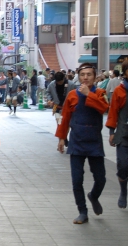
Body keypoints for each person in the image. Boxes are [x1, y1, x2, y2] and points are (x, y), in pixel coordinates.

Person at [55, 63, 109, 224]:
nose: (85, 77)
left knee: (101, 178)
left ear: (95, 77)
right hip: (77, 141)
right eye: (83, 75)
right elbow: (65, 118)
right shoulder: (72, 95)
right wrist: (62, 138)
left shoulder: (100, 93)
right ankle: (82, 211)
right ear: (79, 76)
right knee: (77, 180)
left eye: (89, 75)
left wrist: (88, 95)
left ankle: (94, 196)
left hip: (94, 141)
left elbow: (104, 108)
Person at [106, 61, 128, 209]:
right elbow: (113, 111)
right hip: (123, 132)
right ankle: (123, 192)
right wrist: (112, 132)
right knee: (122, 164)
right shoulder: (120, 91)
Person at [47, 71, 76, 140]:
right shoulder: (52, 84)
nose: (59, 83)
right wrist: (49, 99)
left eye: (60, 81)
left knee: (67, 124)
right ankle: (63, 138)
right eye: (57, 82)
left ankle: (64, 137)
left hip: (68, 108)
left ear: (64, 78)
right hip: (57, 107)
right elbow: (48, 92)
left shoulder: (71, 84)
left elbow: (76, 94)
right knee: (59, 123)